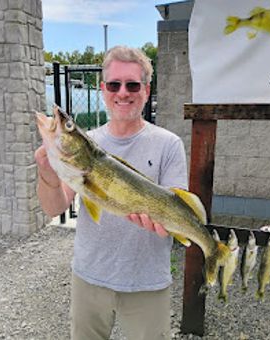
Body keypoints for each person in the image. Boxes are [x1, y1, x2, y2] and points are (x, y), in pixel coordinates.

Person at [35, 45, 188, 340]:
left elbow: (175, 208)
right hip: (89, 279)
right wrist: (46, 172)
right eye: (114, 84)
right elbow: (54, 208)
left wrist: (164, 226)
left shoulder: (169, 144)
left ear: (146, 89)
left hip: (148, 283)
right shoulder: (88, 144)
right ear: (103, 89)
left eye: (132, 84)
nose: (123, 92)